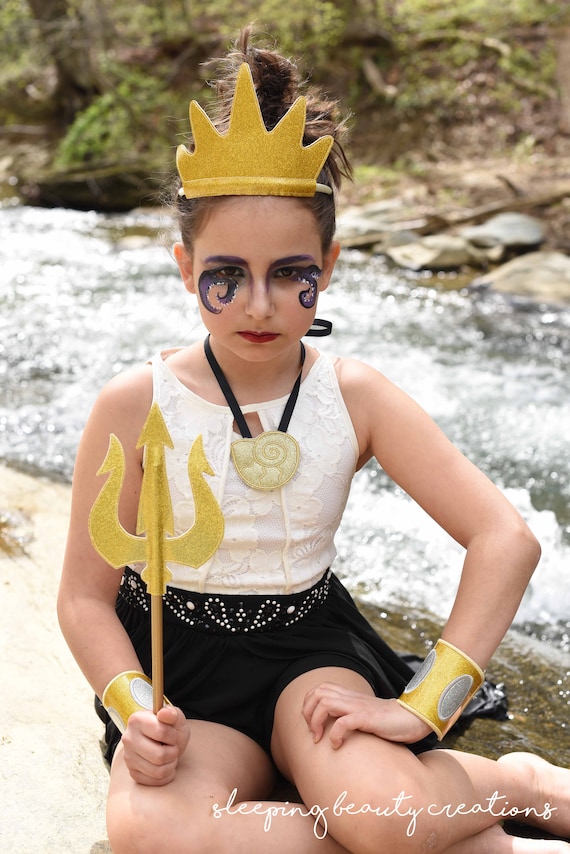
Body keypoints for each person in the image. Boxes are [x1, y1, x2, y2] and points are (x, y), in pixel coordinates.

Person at [58, 27, 569, 854]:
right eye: (228, 277)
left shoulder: (352, 395)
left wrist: (423, 704)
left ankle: (516, 784)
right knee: (150, 831)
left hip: (311, 660)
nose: (259, 305)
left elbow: (504, 538)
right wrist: (131, 704)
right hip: (184, 672)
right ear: (186, 268)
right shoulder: (134, 405)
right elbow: (85, 595)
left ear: (327, 265)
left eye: (290, 275)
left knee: (375, 812)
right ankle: (429, 831)